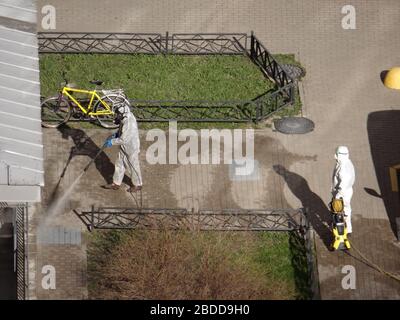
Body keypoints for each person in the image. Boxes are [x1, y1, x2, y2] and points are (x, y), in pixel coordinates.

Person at [103, 103, 142, 192]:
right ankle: (116, 183)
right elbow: (122, 129)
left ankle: (138, 184)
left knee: (133, 166)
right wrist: (117, 133)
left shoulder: (129, 123)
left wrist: (111, 142)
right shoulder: (125, 118)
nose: (116, 116)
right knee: (119, 164)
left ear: (123, 113)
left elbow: (124, 139)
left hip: (131, 148)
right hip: (124, 147)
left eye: (118, 114)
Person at [331, 146, 355, 234]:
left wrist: (338, 196)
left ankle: (344, 230)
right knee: (346, 209)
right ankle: (348, 228)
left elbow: (343, 184)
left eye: (336, 154)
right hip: (347, 191)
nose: (334, 156)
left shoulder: (343, 168)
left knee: (341, 210)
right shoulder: (347, 162)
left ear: (339, 155)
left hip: (342, 193)